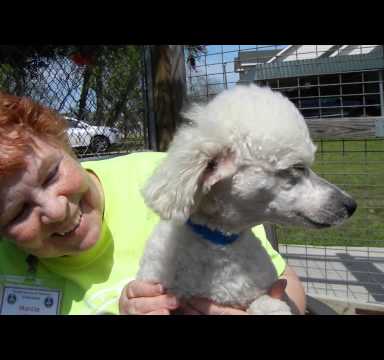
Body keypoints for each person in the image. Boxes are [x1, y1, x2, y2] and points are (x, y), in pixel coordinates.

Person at [0, 92, 306, 315]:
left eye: (51, 174)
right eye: (19, 212)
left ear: (64, 144)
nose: (55, 210)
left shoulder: (172, 184)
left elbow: (285, 285)